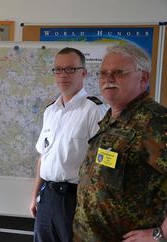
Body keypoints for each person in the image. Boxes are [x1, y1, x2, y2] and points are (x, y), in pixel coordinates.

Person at [73, 43, 167, 241]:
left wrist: (160, 234)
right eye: (103, 73)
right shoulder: (111, 118)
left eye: (119, 72)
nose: (108, 78)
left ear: (143, 78)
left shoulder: (155, 121)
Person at [30, 47, 107, 242]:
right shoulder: (50, 111)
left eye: (70, 69)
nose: (63, 74)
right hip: (47, 197)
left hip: (76, 199)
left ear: (84, 72)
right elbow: (43, 157)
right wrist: (35, 196)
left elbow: (102, 164)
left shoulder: (94, 110)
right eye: (58, 69)